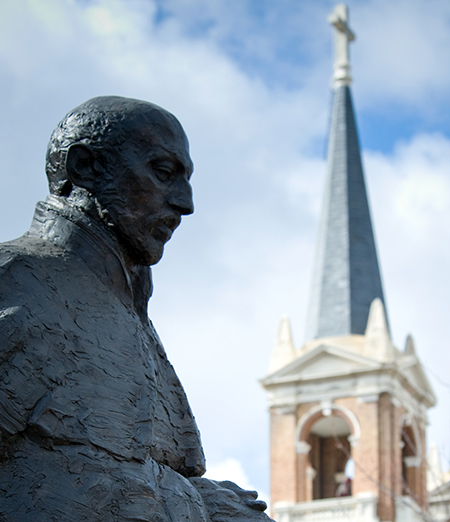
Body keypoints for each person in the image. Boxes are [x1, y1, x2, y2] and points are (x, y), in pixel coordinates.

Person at [0, 96, 270, 522]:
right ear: (85, 168)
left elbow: (141, 473)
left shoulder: (132, 313)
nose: (185, 203)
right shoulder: (15, 280)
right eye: (163, 174)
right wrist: (199, 506)